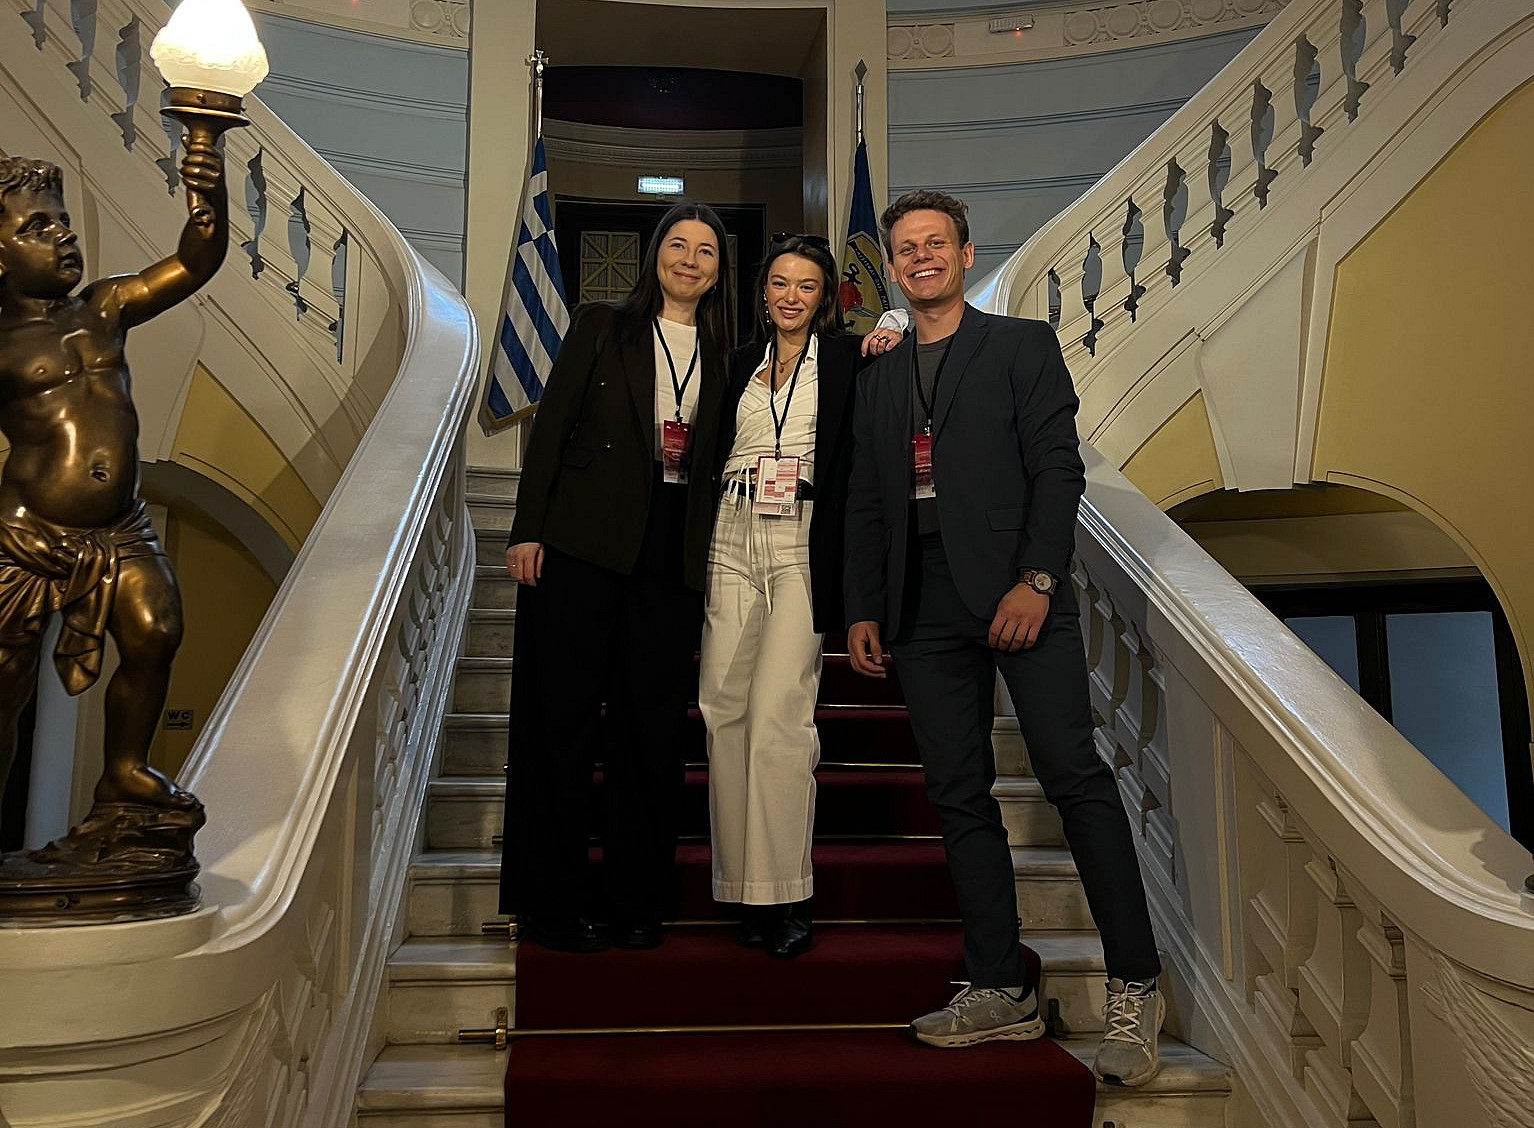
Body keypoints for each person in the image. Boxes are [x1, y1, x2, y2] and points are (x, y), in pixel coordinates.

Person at [843, 190, 1165, 1085]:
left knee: (1074, 776)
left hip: (1018, 591)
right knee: (958, 794)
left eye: (935, 243)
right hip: (918, 605)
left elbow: (1057, 469)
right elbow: (868, 498)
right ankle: (998, 986)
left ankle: (1136, 983)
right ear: (894, 267)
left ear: (965, 251)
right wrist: (864, 605)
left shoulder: (1021, 346)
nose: (921, 259)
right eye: (905, 249)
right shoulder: (878, 372)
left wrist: (1038, 578)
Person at [498, 202, 732, 953]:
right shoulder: (600, 325)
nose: (690, 260)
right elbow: (552, 425)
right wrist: (526, 528)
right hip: (578, 546)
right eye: (678, 245)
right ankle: (550, 904)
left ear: (722, 269)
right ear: (655, 253)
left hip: (671, 558)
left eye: (706, 250)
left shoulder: (732, 351)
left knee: (650, 735)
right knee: (558, 725)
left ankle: (639, 901)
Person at [0, 147, 224, 831]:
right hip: (27, 533)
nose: (63, 234)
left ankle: (124, 771)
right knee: (4, 689)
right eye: (37, 226)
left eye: (62, 221)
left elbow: (192, 264)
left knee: (157, 631)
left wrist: (206, 198)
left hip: (121, 526)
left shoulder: (102, 308)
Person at [698, 235, 903, 959]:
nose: (791, 296)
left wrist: (893, 325)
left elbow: (907, 330)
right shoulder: (735, 364)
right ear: (763, 291)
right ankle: (739, 887)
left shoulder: (845, 359)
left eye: (807, 286)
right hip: (729, 526)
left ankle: (784, 892)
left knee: (778, 716)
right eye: (780, 283)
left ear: (825, 300)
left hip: (800, 536)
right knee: (723, 713)